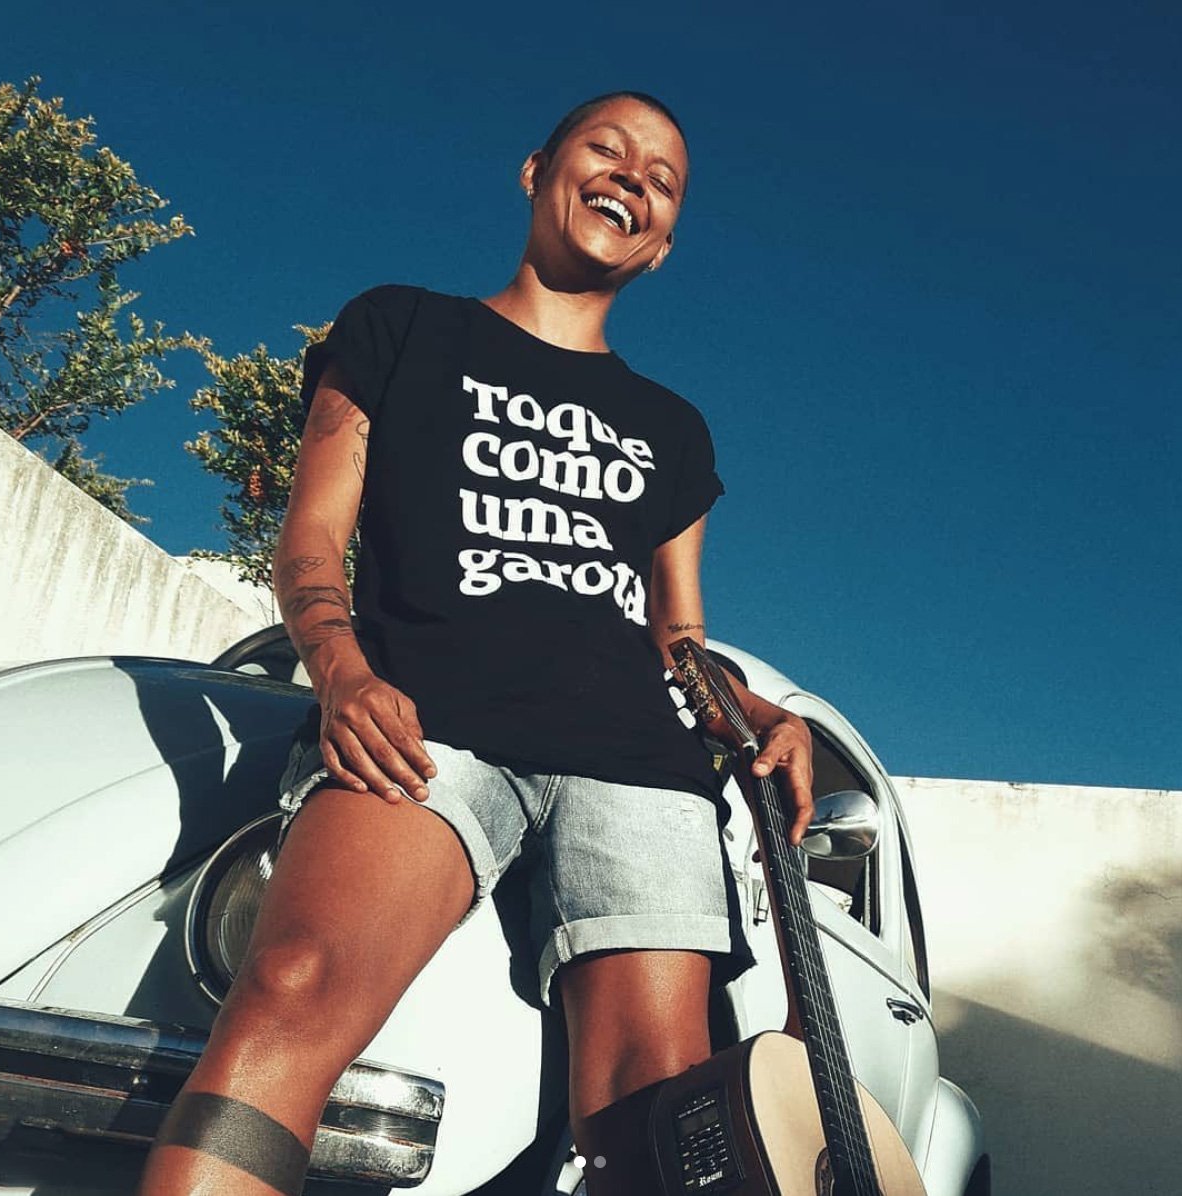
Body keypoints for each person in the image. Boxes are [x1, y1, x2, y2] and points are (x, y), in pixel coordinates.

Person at [139, 90, 814, 1196]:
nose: (631, 177)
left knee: (651, 1107)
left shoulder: (672, 430)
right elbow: (311, 532)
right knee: (295, 982)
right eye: (609, 148)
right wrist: (343, 670)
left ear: (664, 244)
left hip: (638, 759)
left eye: (661, 178)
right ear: (537, 167)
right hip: (429, 715)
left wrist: (758, 713)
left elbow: (674, 633)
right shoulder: (399, 327)